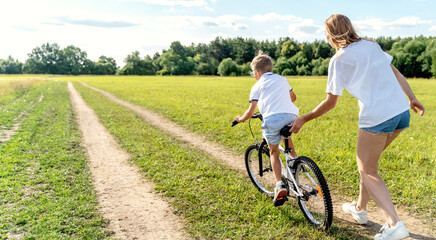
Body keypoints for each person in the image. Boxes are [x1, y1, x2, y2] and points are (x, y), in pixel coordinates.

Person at [290, 14, 425, 240]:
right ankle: (360, 209)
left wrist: (304, 118)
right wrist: (411, 98)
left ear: (331, 35)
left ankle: (395, 224)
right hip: (401, 113)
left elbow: (331, 102)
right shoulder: (372, 45)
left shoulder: (339, 59)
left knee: (368, 170)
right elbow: (395, 72)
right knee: (367, 165)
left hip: (378, 117)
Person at [234, 52, 299, 207]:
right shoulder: (282, 79)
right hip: (292, 116)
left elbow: (251, 111)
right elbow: (293, 98)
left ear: (257, 72)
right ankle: (297, 164)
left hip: (272, 119)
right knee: (286, 138)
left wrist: (241, 119)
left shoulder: (257, 85)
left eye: (253, 73)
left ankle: (279, 185)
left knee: (274, 152)